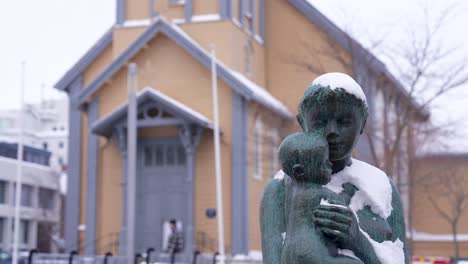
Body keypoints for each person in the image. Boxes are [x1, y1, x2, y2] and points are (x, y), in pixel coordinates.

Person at [260, 72, 408, 264]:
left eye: (344, 122)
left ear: (362, 123)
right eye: (320, 122)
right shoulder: (279, 189)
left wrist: (358, 241)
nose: (332, 131)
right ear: (302, 123)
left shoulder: (382, 186)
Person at [278, 132, 363, 264]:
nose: (330, 164)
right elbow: (341, 207)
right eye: (324, 162)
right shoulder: (317, 192)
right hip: (309, 250)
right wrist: (350, 191)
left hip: (288, 251)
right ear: (300, 172)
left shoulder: (291, 194)